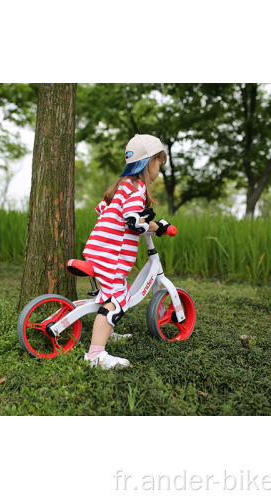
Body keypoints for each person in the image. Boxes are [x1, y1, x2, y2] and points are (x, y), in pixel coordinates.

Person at [82, 134, 172, 369]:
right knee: (117, 300)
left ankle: (107, 332)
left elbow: (101, 209)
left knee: (112, 291)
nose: (158, 171)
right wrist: (157, 227)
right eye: (158, 164)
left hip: (98, 249)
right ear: (148, 162)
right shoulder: (137, 188)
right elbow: (133, 218)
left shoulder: (122, 186)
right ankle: (95, 355)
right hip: (111, 255)